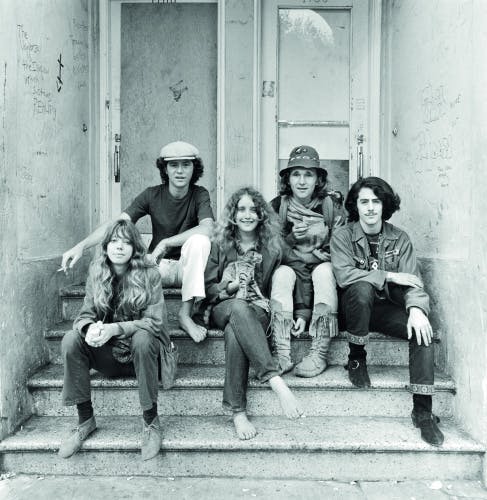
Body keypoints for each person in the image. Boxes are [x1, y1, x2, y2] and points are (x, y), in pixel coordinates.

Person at [61, 141, 214, 343]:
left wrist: (166, 242)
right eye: (173, 165)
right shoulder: (152, 194)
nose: (180, 171)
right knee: (123, 260)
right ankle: (118, 324)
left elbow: (208, 228)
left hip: (191, 268)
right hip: (158, 268)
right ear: (165, 169)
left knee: (200, 241)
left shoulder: (199, 194)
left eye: (186, 165)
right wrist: (81, 246)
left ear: (194, 168)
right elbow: (118, 223)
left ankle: (185, 314)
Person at [330, 176, 444, 446]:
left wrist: (417, 309)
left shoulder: (399, 238)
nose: (370, 208)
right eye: (364, 202)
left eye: (376, 202)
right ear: (355, 206)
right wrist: (390, 276)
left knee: (422, 331)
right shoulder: (343, 236)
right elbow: (345, 276)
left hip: (384, 311)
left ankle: (422, 411)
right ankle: (356, 358)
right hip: (354, 310)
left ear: (385, 205)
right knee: (361, 288)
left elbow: (413, 280)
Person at [59, 219, 169, 460]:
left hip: (146, 358)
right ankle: (85, 419)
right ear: (106, 246)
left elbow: (155, 323)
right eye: (114, 241)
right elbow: (85, 315)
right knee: (71, 339)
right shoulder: (97, 274)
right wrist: (90, 329)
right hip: (112, 356)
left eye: (127, 242)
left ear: (135, 248)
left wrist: (115, 328)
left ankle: (151, 421)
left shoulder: (149, 275)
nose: (120, 246)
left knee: (142, 337)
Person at [204, 187, 306, 440]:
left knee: (234, 332)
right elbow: (207, 287)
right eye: (241, 209)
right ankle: (274, 380)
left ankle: (237, 412)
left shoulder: (273, 244)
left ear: (261, 215)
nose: (247, 215)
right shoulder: (219, 243)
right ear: (233, 215)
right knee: (237, 310)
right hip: (225, 306)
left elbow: (300, 272)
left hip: (258, 309)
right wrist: (228, 287)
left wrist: (303, 310)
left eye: (253, 209)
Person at [269, 145, 345, 377]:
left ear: (318, 180)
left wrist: (328, 251)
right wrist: (292, 238)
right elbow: (271, 251)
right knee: (281, 273)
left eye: (308, 175)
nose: (302, 181)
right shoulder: (277, 207)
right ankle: (281, 352)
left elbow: (343, 244)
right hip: (292, 276)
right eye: (296, 174)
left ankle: (319, 353)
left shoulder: (331, 206)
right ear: (288, 180)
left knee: (323, 270)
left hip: (323, 282)